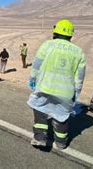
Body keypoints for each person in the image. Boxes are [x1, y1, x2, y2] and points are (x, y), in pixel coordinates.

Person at [27, 19, 86, 150]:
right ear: (71, 34)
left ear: (55, 31)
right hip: (65, 92)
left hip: (44, 87)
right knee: (61, 117)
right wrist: (76, 93)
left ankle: (40, 138)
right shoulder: (79, 52)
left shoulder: (47, 45)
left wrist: (32, 79)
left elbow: (36, 65)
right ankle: (61, 142)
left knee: (40, 111)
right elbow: (79, 77)